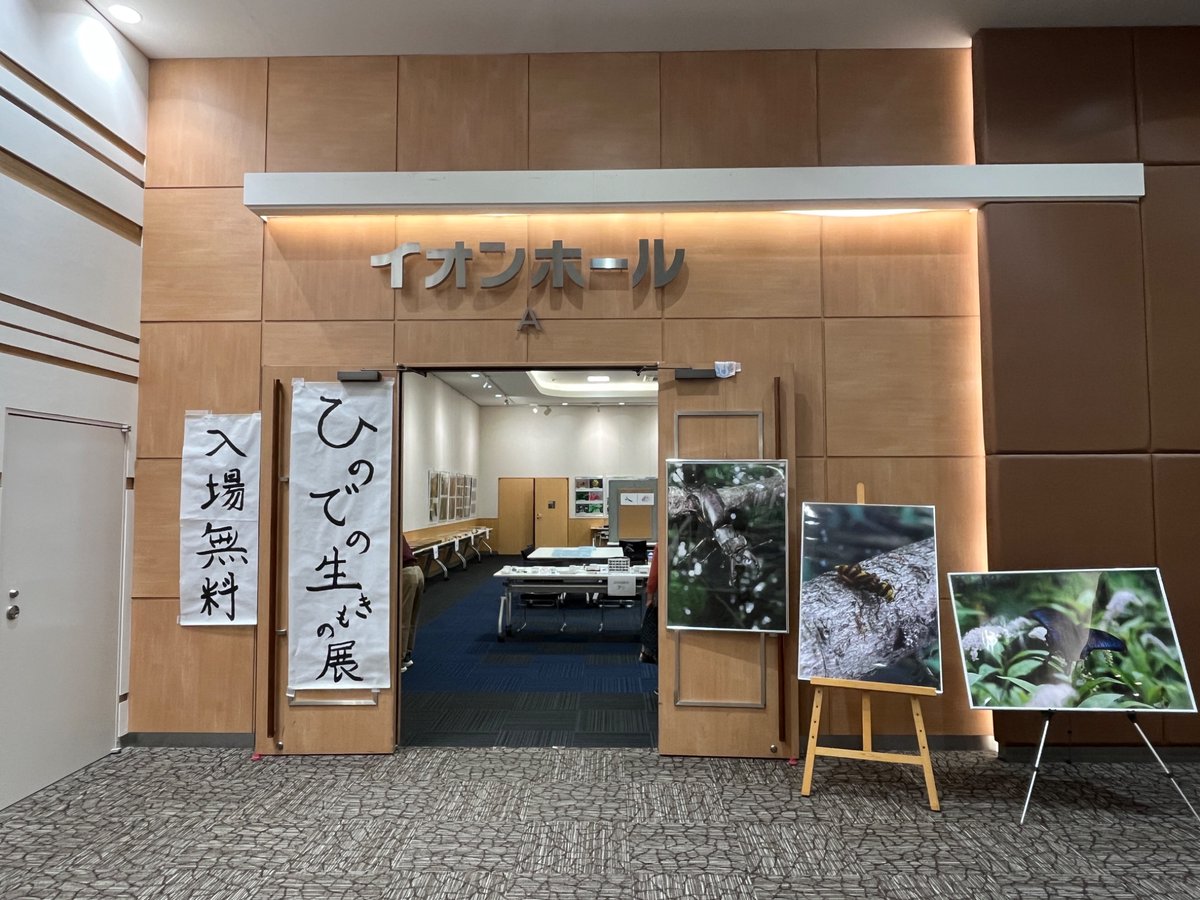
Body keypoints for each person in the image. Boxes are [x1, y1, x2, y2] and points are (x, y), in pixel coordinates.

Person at [400, 536, 425, 673]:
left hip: (405, 573)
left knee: (402, 618)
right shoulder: (395, 528)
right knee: (411, 618)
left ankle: (399, 659)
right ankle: (407, 654)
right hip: (417, 571)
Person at [639, 546, 658, 664]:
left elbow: (654, 575)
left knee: (653, 622)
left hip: (663, 594)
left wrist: (650, 597)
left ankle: (649, 651)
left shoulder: (661, 545)